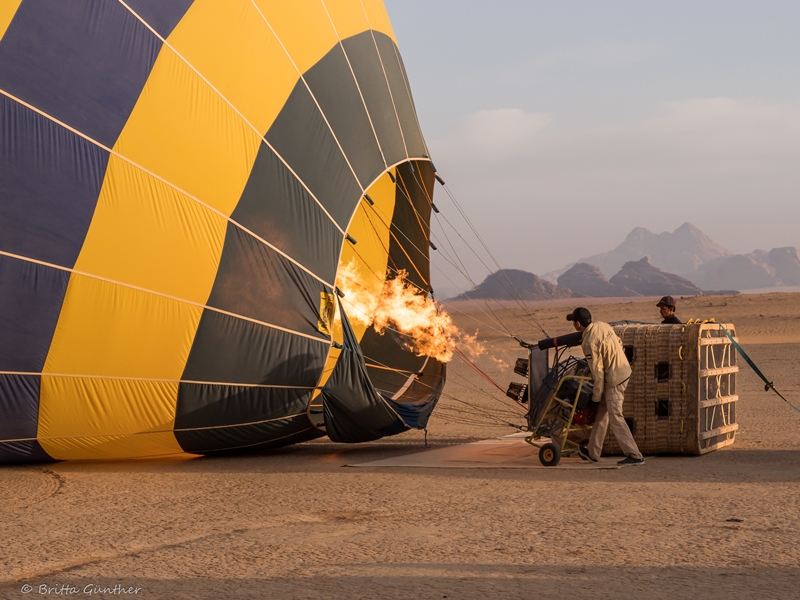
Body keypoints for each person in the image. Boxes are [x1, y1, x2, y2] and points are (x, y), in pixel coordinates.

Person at [566, 307, 645, 466]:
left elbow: (598, 372)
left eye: (573, 322)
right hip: (623, 370)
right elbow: (619, 342)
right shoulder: (603, 325)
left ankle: (635, 455)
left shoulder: (588, 342)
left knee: (615, 416)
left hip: (614, 379)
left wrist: (595, 397)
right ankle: (593, 453)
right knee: (602, 414)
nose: (573, 325)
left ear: (578, 324)